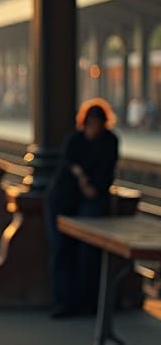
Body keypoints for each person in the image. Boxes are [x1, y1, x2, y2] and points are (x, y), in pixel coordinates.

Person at [46, 98, 120, 319]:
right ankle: (64, 302)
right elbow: (68, 166)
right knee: (62, 251)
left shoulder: (109, 142)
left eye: (97, 123)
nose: (93, 128)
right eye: (90, 123)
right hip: (64, 199)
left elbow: (106, 171)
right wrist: (83, 180)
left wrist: (89, 184)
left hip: (92, 198)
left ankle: (87, 302)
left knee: (88, 251)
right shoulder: (74, 140)